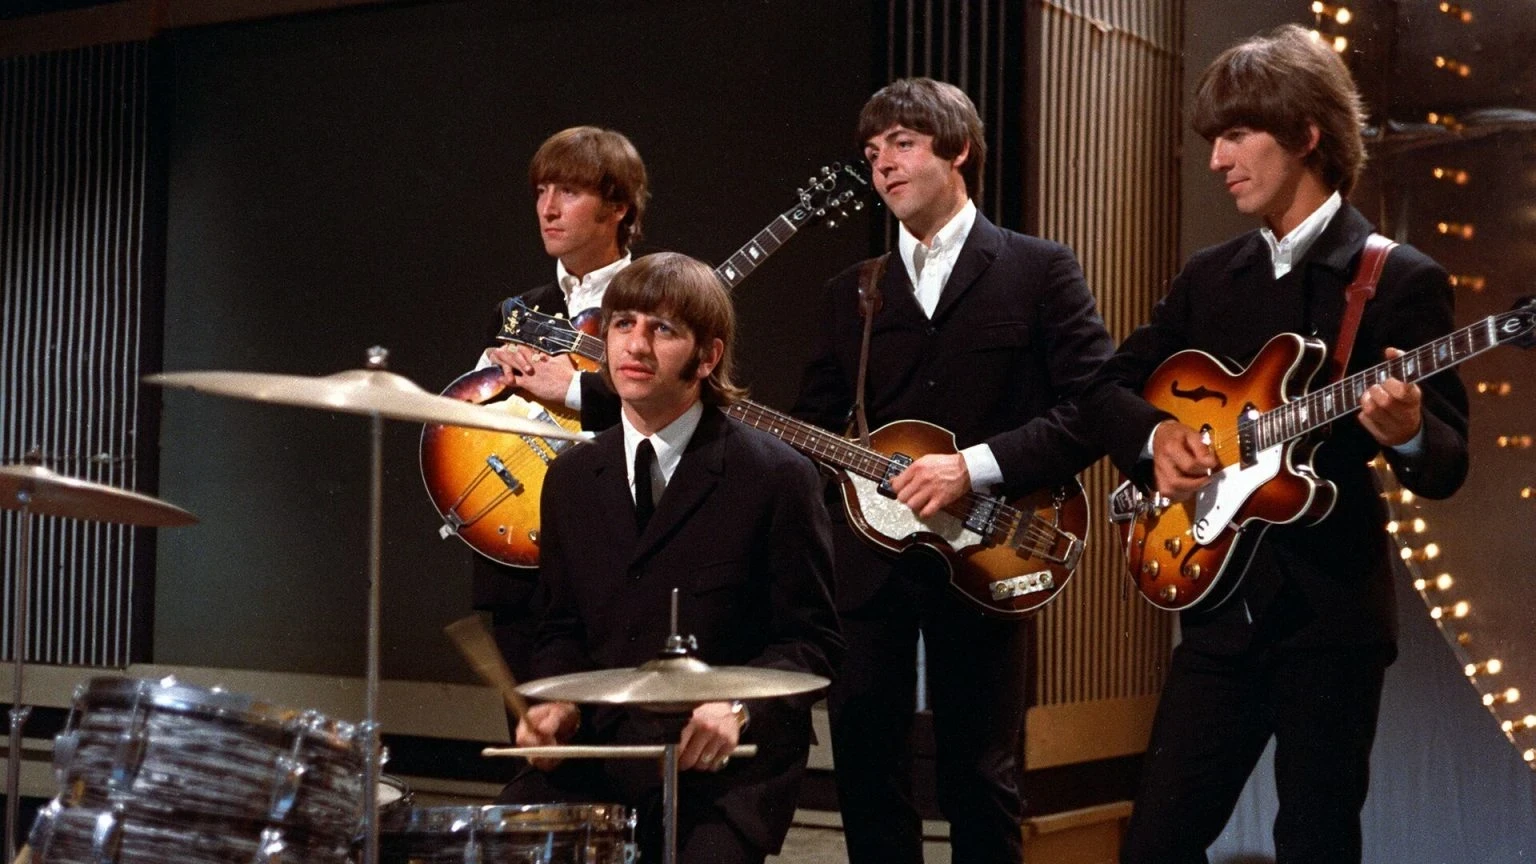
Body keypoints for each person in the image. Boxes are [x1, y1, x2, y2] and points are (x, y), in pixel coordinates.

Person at [1079, 25, 1470, 863]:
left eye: (1236, 135)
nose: (1217, 160)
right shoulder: (1209, 276)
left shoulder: (1398, 278)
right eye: (1213, 140)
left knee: (1315, 844)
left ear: (1305, 133)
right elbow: (1104, 389)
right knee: (1152, 846)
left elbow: (1447, 462)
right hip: (1218, 611)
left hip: (1330, 619)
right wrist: (1157, 438)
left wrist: (1408, 434)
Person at [792, 77, 1119, 864]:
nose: (883, 165)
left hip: (991, 548)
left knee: (980, 774)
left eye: (903, 144)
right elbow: (810, 429)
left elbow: (1096, 405)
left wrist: (973, 468)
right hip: (869, 566)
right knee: (867, 771)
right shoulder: (852, 292)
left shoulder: (1040, 270)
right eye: (873, 152)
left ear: (959, 150)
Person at [504, 252, 844, 864]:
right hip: (600, 754)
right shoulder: (570, 478)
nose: (635, 345)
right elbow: (560, 628)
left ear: (707, 357)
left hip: (722, 769)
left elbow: (811, 641)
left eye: (663, 329)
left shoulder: (778, 477)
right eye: (623, 324)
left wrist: (737, 708)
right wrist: (556, 705)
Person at [469, 126, 647, 684]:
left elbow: (676, 413)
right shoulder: (516, 312)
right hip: (524, 564)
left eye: (568, 191)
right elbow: (478, 432)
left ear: (617, 206)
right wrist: (486, 381)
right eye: (542, 191)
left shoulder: (658, 304)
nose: (547, 209)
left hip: (618, 560)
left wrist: (571, 390)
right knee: (532, 732)